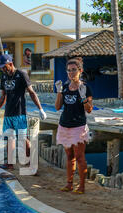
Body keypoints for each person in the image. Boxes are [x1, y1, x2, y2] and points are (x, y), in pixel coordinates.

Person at [0, 54, 47, 170]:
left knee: (24, 140)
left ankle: (31, 164)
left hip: (20, 114)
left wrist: (41, 109)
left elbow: (31, 92)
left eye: (4, 67)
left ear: (11, 64)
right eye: (1, 67)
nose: (3, 69)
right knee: (9, 139)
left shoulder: (22, 74)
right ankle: (10, 164)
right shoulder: (4, 76)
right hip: (8, 115)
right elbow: (3, 96)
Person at [54, 57, 93, 194]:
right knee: (69, 156)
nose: (71, 73)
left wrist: (83, 98)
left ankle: (81, 186)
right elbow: (58, 107)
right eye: (69, 70)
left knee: (80, 156)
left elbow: (89, 109)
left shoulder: (85, 88)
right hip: (64, 125)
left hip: (78, 126)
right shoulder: (64, 88)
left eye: (74, 70)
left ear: (80, 71)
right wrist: (59, 91)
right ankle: (69, 184)